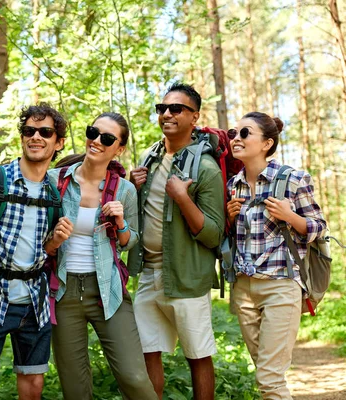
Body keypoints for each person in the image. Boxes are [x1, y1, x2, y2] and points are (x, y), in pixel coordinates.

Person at [0, 103, 67, 400]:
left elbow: (46, 248)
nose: (36, 137)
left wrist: (54, 243)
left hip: (35, 300)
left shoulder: (55, 192)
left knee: (33, 389)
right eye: (29, 130)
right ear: (22, 136)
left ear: (59, 142)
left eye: (45, 132)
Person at [46, 112, 157, 400]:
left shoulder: (125, 190)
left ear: (119, 148)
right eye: (92, 132)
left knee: (134, 377)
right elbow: (39, 240)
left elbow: (130, 241)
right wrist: (55, 239)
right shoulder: (54, 181)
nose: (96, 141)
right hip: (63, 292)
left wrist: (120, 223)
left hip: (107, 289)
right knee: (75, 388)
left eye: (106, 138)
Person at [128, 82, 224, 400]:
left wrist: (183, 198)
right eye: (162, 108)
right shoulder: (149, 159)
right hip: (149, 273)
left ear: (194, 117)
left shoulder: (206, 167)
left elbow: (213, 233)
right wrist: (133, 186)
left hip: (185, 277)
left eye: (177, 109)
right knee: (147, 351)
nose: (167, 114)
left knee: (197, 354)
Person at [226, 112, 326, 399]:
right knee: (266, 374)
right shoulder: (234, 184)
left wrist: (290, 216)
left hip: (281, 285)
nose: (236, 138)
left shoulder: (293, 179)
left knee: (269, 378)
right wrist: (230, 220)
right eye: (234, 133)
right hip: (244, 289)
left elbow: (318, 227)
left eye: (245, 133)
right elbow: (239, 238)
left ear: (267, 143)